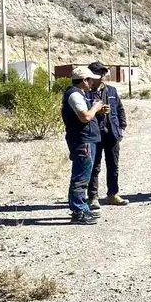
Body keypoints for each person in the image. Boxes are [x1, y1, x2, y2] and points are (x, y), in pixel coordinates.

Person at [61, 66, 105, 225]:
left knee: (83, 175)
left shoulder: (79, 94)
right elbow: (85, 117)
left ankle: (82, 209)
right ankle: (78, 211)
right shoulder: (74, 95)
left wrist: (97, 111)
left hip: (85, 139)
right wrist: (96, 107)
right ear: (84, 80)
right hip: (82, 140)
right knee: (81, 177)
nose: (93, 82)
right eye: (90, 79)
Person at [85, 61, 129, 209]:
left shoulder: (111, 90)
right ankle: (93, 197)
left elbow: (120, 109)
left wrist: (121, 128)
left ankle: (113, 194)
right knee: (94, 167)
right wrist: (97, 111)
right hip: (94, 134)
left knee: (113, 166)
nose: (102, 76)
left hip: (112, 133)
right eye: (99, 73)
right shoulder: (85, 92)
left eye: (103, 73)